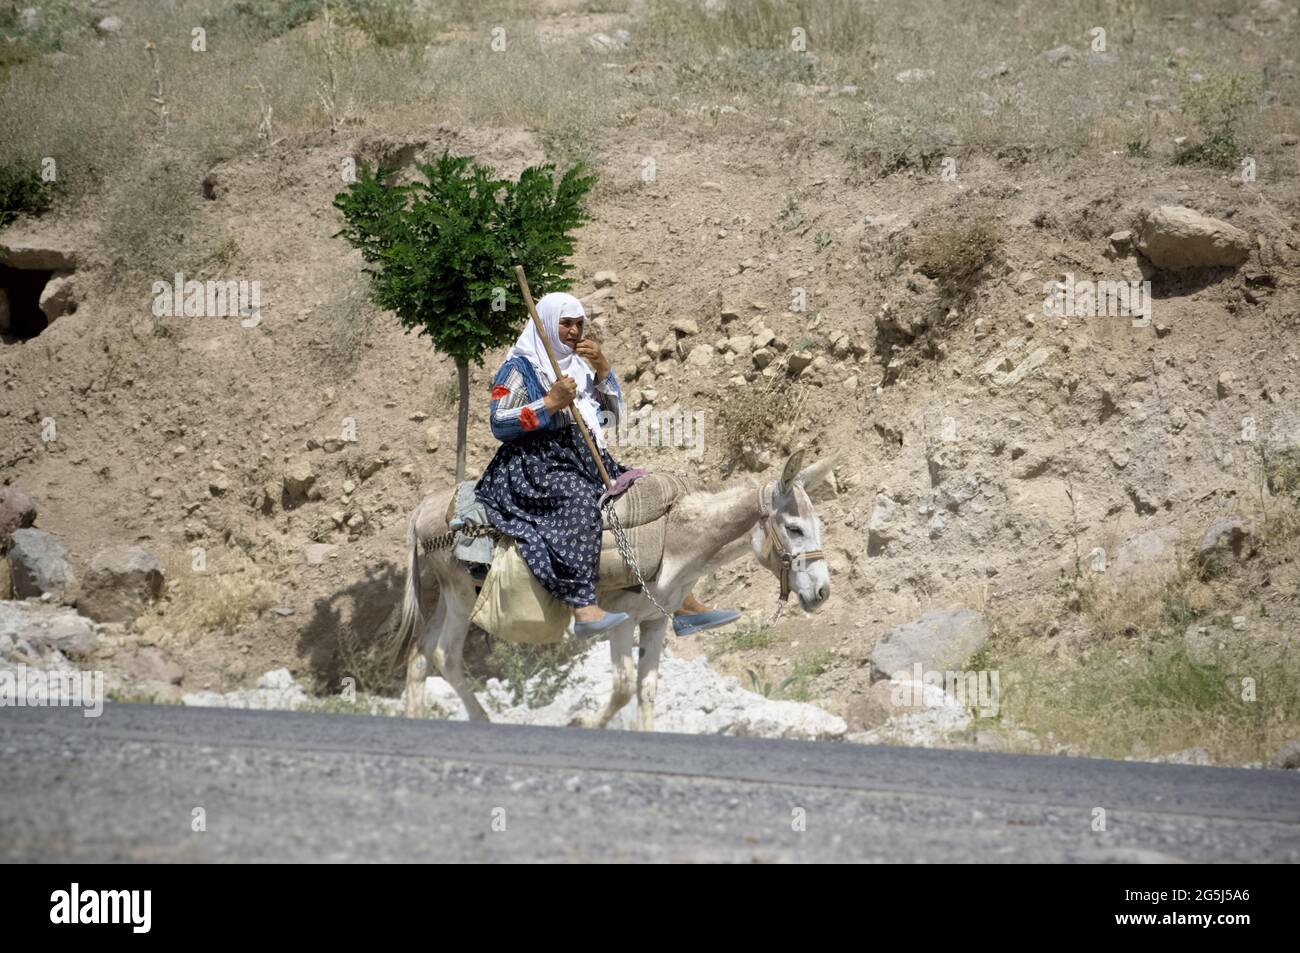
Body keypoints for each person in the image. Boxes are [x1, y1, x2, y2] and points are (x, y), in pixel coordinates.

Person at [474, 291, 740, 638]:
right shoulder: (519, 367)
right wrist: (549, 404)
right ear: (547, 326)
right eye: (565, 324)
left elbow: (612, 419)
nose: (573, 331)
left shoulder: (581, 367)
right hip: (535, 465)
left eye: (579, 324)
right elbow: (499, 422)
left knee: (653, 495)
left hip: (584, 457)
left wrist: (603, 370)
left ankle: (681, 600)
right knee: (580, 504)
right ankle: (584, 607)